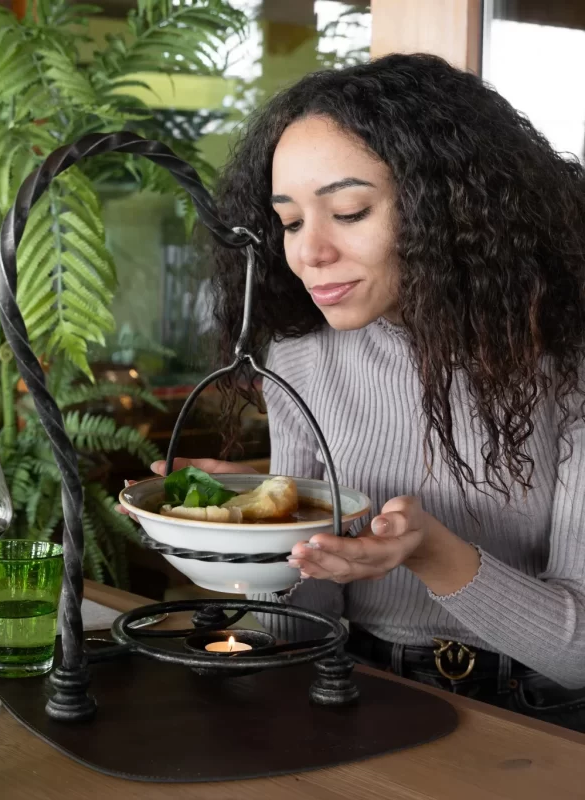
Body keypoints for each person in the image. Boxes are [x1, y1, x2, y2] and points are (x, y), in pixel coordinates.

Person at [120, 52, 585, 732]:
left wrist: (430, 552)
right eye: (291, 221)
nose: (310, 253)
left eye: (348, 210)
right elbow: (304, 622)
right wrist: (255, 538)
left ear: (452, 207)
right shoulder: (302, 355)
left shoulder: (569, 363)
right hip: (350, 688)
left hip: (533, 720)